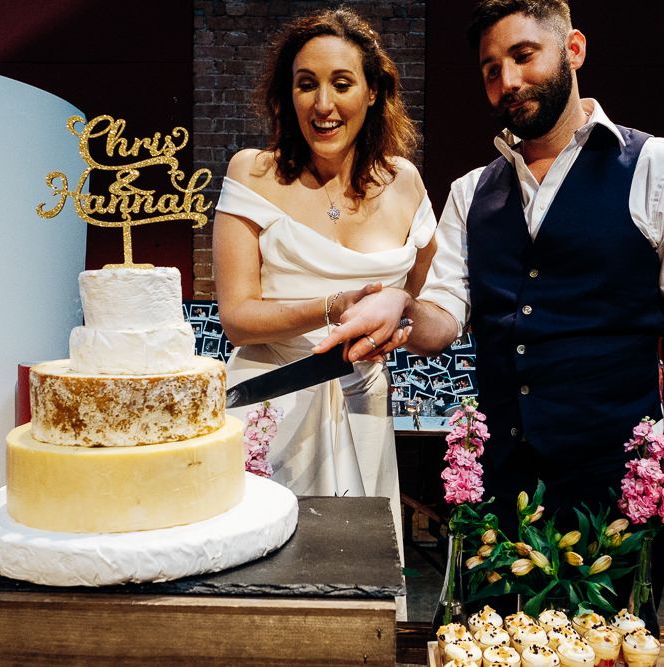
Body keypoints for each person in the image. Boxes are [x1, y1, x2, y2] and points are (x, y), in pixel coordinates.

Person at [315, 0, 664, 548]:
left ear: (573, 50)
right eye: (491, 70)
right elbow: (444, 320)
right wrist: (402, 305)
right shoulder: (471, 190)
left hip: (619, 493)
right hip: (503, 492)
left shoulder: (651, 167)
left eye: (525, 56)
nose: (509, 81)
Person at [212, 7, 437, 567]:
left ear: (372, 93)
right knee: (262, 571)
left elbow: (426, 302)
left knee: (360, 571)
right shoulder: (252, 172)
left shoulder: (405, 182)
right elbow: (237, 316)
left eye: (341, 84)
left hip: (363, 405)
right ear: (286, 95)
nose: (322, 104)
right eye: (305, 84)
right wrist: (333, 306)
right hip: (269, 401)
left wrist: (395, 326)